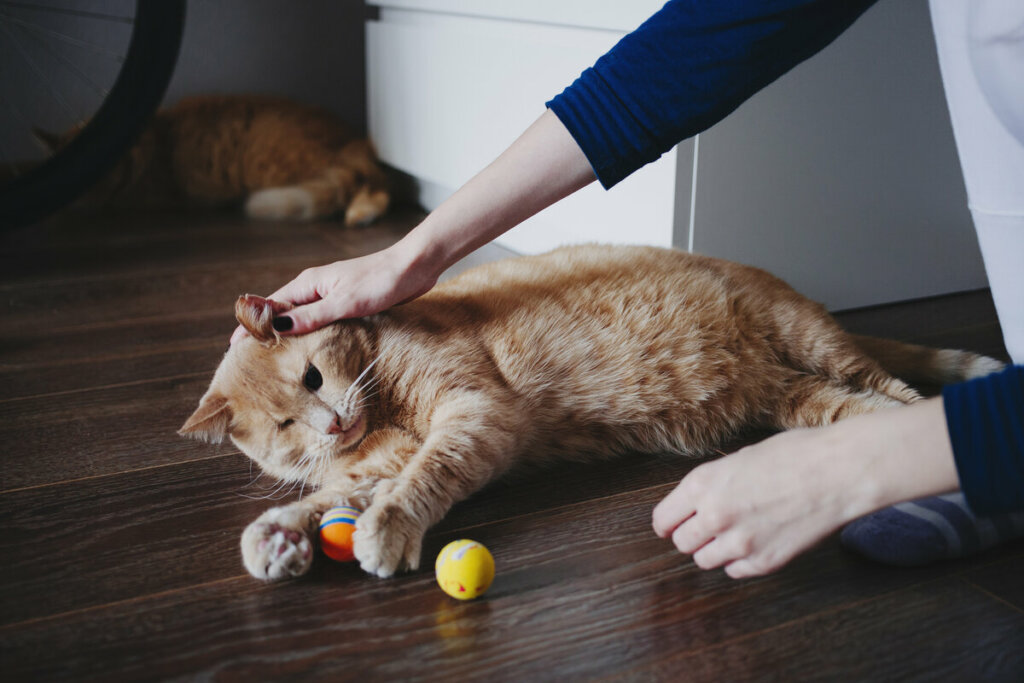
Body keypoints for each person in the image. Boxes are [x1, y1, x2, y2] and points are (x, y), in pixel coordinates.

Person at [233, 0, 1024, 577]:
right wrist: (416, 252)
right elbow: (705, 43)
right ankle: (965, 425)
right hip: (710, 388)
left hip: (707, 311)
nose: (327, 420)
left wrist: (842, 467)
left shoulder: (405, 360)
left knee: (834, 368)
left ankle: (951, 439)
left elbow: (477, 417)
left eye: (309, 382)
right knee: (791, 394)